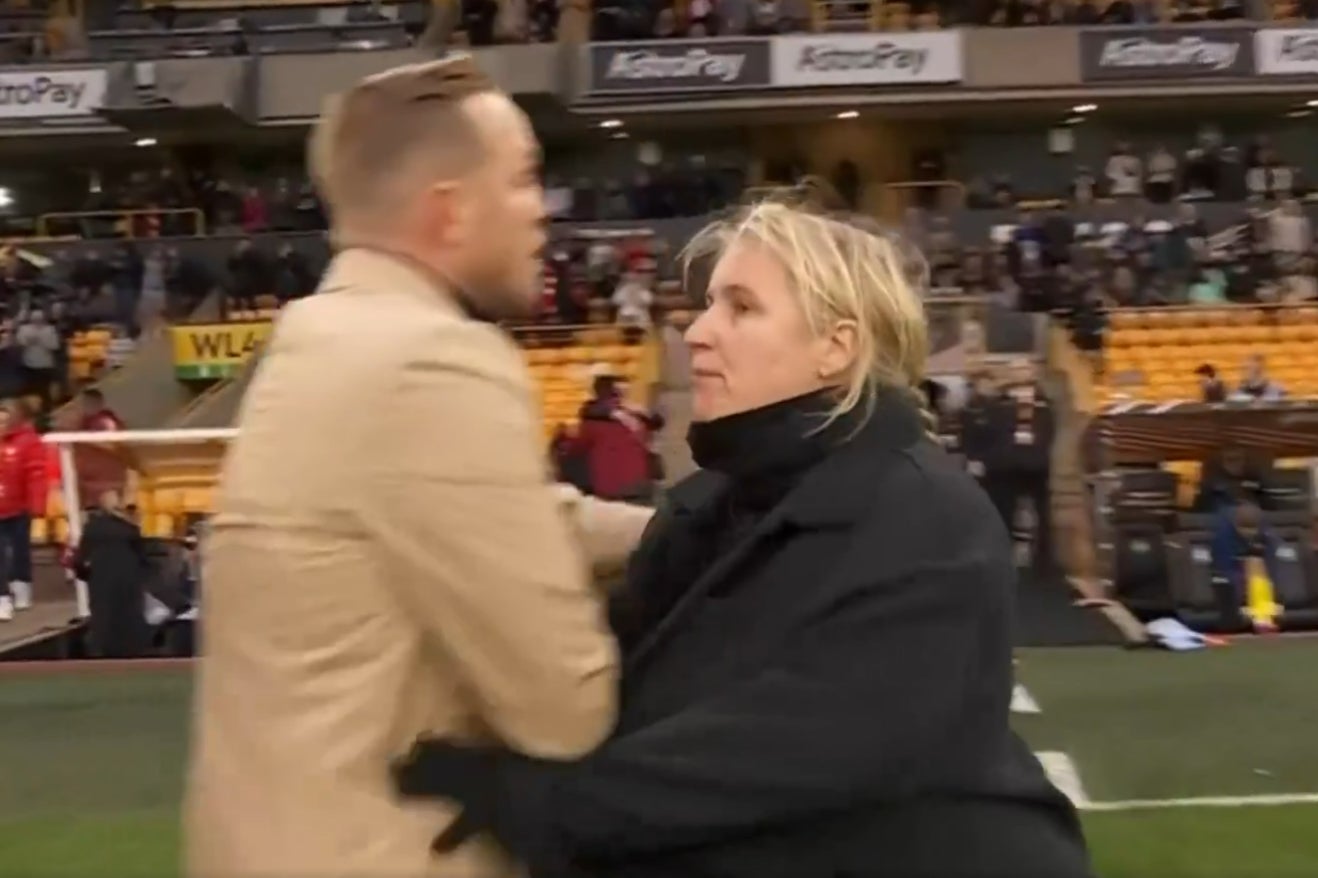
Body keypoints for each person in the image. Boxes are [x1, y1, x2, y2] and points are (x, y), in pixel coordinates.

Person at [392, 191, 1093, 878]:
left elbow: (789, 754)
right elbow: (618, 671)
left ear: (835, 348)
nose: (697, 331)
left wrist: (530, 797)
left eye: (742, 307)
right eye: (708, 304)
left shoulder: (931, 523)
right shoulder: (722, 502)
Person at [184, 55, 653, 878]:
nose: (541, 211)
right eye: (522, 180)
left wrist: (687, 525)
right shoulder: (434, 360)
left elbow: (513, 518)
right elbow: (565, 706)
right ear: (451, 213)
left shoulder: (318, 337)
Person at [70, 489, 152, 658]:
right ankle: (133, 651)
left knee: (103, 617)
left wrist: (86, 576)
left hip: (100, 580)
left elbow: (79, 559)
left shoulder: (92, 528)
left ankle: (99, 653)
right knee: (129, 617)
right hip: (129, 579)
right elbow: (144, 558)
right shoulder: (130, 529)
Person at [0, 400, 46, 622]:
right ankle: (3, 598)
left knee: (20, 549)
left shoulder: (27, 442)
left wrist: (37, 504)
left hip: (18, 508)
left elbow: (35, 475)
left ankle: (21, 587)